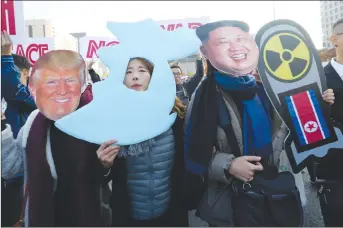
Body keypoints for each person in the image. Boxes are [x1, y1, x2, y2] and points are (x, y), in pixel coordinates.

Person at [183, 20, 335, 227]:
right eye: (222, 41)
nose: (235, 47)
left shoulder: (274, 86)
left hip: (280, 192)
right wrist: (228, 165)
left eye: (240, 39)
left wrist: (319, 105)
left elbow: (299, 131)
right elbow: (192, 148)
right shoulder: (203, 98)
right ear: (205, 51)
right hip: (232, 201)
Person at [1, 50, 117, 227]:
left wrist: (105, 165)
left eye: (70, 80)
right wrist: (2, 129)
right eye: (51, 82)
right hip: (44, 217)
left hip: (86, 216)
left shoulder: (95, 119)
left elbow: (113, 178)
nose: (62, 90)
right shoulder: (34, 121)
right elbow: (13, 168)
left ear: (82, 83)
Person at [103, 57, 189, 227]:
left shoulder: (174, 113)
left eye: (142, 71)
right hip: (129, 215)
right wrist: (104, 167)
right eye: (129, 72)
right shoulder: (111, 118)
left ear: (153, 76)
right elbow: (97, 175)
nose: (135, 76)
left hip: (170, 212)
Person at [1, 31, 36, 227]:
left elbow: (12, 88)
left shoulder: (25, 101)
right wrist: (5, 58)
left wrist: (5, 57)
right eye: (24, 76)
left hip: (17, 178)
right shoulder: (10, 92)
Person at [313, 18, 343, 227]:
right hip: (334, 170)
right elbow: (305, 125)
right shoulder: (319, 78)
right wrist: (321, 106)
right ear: (334, 39)